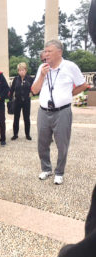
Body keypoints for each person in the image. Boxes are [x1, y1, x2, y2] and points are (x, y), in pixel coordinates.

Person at [32, 39, 88, 185]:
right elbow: (34, 90)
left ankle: (59, 172)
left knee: (62, 144)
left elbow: (83, 84)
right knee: (42, 143)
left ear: (59, 52)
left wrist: (69, 94)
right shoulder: (42, 67)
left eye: (49, 51)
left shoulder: (70, 67)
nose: (46, 54)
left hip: (62, 112)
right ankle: (46, 168)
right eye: (45, 51)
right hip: (43, 112)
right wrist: (42, 75)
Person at [9, 62, 34, 141]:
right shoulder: (16, 79)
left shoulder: (30, 78)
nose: (21, 72)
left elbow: (35, 88)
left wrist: (32, 93)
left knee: (26, 118)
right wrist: (10, 100)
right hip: (17, 101)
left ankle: (27, 134)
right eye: (20, 70)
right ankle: (15, 134)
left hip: (26, 101)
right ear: (18, 71)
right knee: (16, 118)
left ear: (26, 70)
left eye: (23, 70)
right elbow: (12, 90)